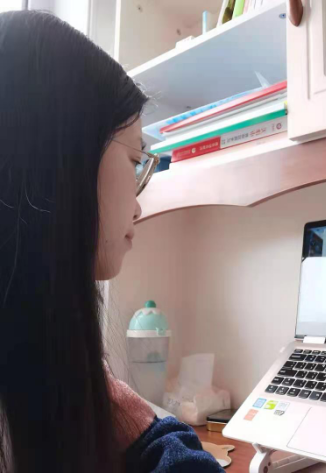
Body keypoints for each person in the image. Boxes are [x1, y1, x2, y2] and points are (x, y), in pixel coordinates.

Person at [0, 11, 224, 473]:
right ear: (69, 158)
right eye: (135, 159)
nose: (138, 207)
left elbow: (155, 439)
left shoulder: (52, 352)